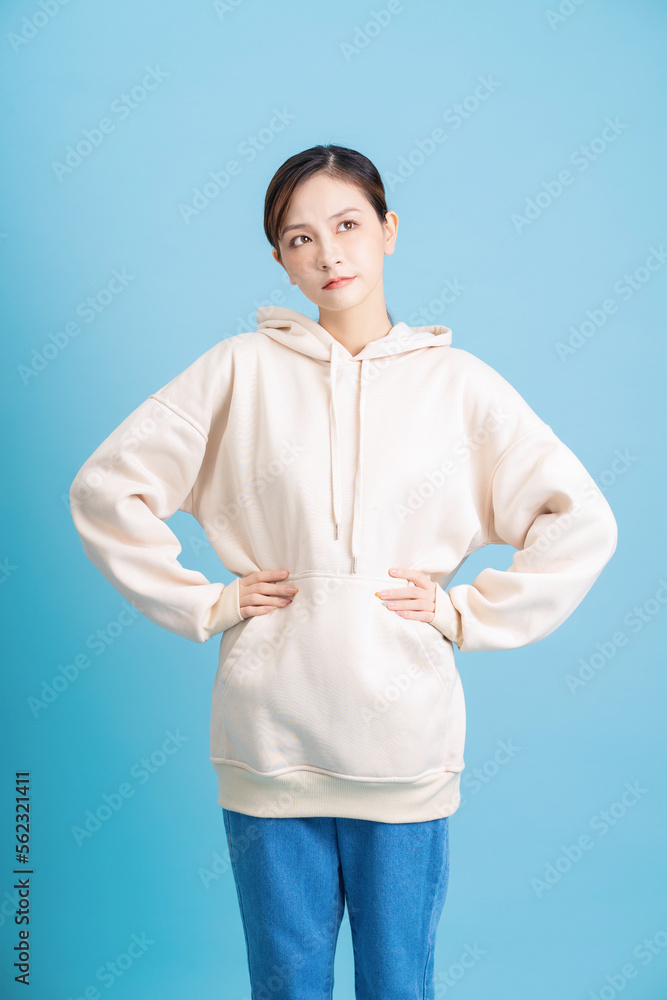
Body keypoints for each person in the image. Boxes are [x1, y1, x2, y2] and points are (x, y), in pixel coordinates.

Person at [69, 144, 618, 999]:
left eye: (347, 225)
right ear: (280, 262)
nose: (327, 254)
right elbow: (107, 489)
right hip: (266, 745)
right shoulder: (236, 371)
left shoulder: (460, 387)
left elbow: (578, 519)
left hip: (404, 751)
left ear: (389, 230)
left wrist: (466, 614)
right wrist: (206, 600)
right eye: (297, 239)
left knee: (398, 985)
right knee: (285, 986)